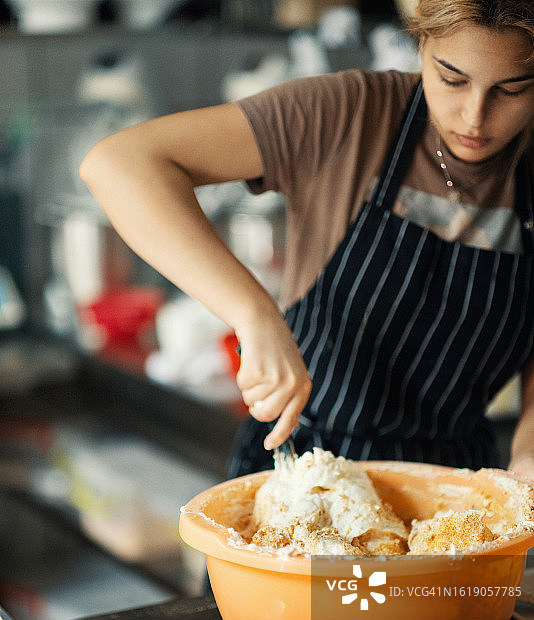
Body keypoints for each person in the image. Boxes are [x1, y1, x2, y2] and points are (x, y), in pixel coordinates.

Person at [79, 0, 534, 482]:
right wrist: (254, 315)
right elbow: (119, 163)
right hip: (302, 477)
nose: (475, 116)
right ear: (422, 45)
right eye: (452, 79)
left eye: (512, 89)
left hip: (450, 492)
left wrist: (527, 456)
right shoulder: (352, 114)